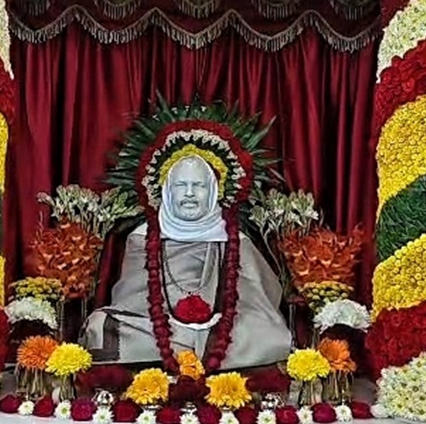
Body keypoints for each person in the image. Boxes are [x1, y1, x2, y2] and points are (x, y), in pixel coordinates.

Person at [82, 156, 291, 368]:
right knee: (100, 326)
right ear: (167, 190)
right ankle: (197, 352)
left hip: (223, 329)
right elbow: (128, 301)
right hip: (157, 330)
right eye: (181, 185)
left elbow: (260, 302)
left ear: (212, 191)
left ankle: (189, 351)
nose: (189, 193)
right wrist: (180, 328)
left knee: (271, 334)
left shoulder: (236, 239)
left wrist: (211, 325)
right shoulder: (141, 237)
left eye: (198, 185)